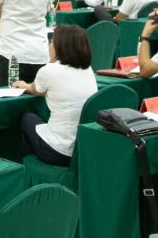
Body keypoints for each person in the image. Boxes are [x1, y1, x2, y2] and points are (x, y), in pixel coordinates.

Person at [14, 25, 97, 166]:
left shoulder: (49, 70)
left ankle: (28, 168)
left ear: (61, 47)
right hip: (82, 149)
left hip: (58, 152)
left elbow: (35, 89)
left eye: (52, 41)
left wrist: (23, 85)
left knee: (27, 118)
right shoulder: (88, 69)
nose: (50, 45)